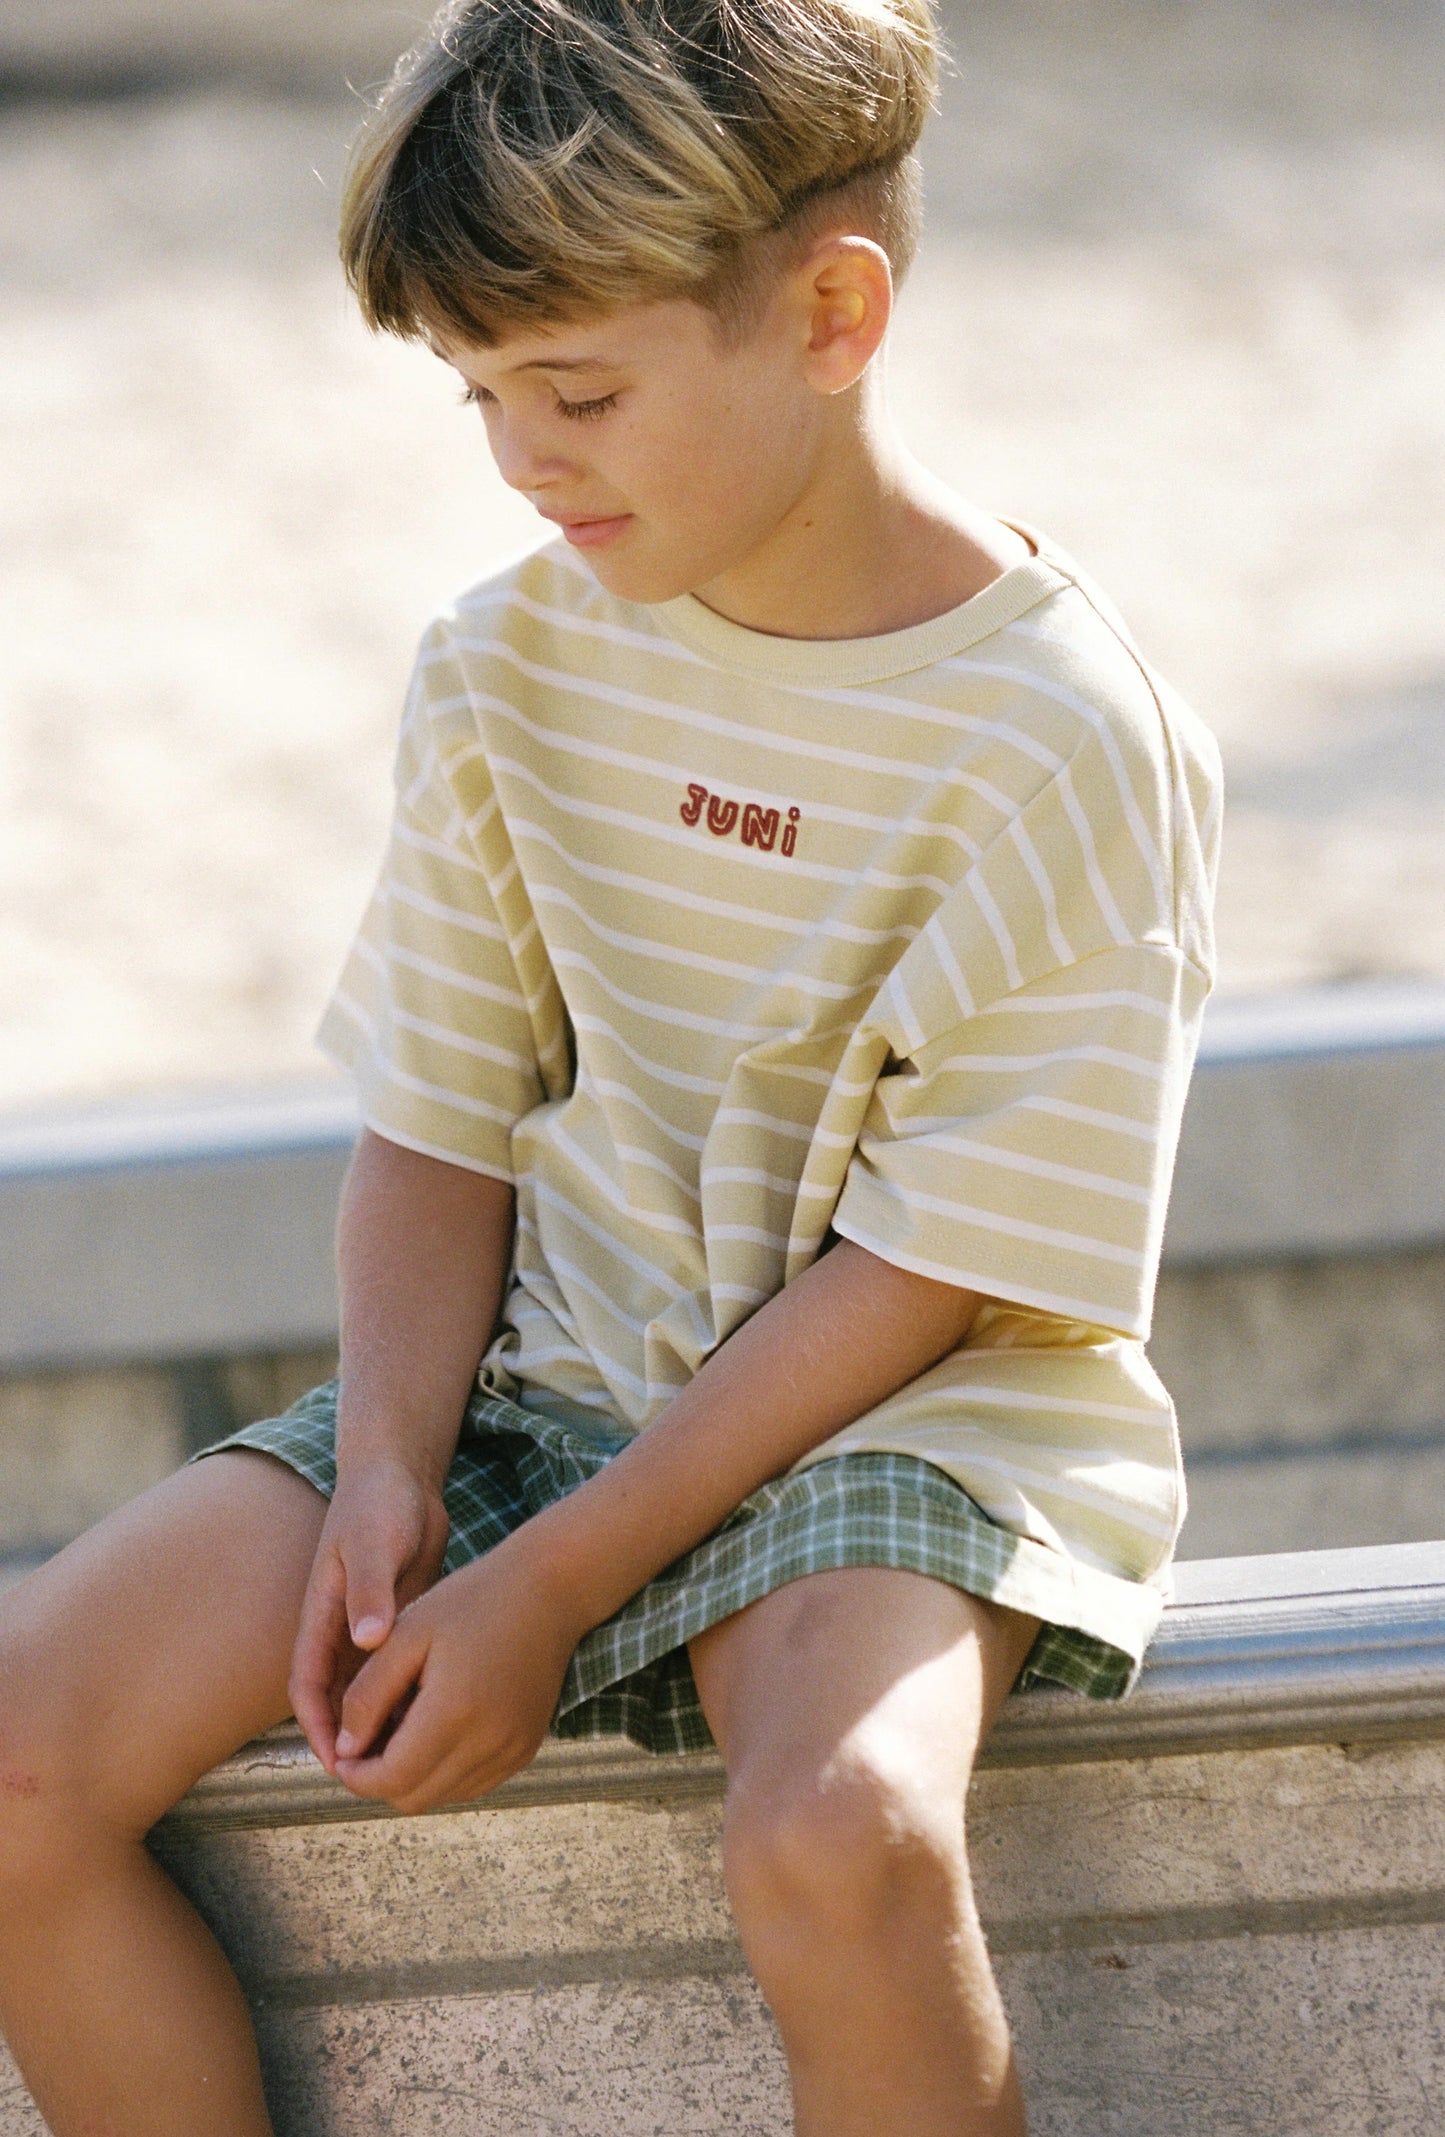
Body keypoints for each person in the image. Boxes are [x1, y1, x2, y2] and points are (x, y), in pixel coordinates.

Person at [0, 0, 1221, 2130]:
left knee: (841, 1835)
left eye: (578, 391)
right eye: (478, 394)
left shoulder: (1066, 738)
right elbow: (438, 1123)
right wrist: (391, 1467)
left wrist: (548, 1587)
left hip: (903, 1416)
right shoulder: (502, 665)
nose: (522, 459)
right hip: (540, 1377)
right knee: (20, 1757)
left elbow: (934, 1271)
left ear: (832, 315)